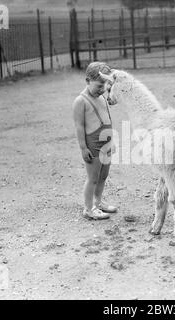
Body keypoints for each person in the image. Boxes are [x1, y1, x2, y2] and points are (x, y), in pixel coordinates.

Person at [72, 62, 118, 220]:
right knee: (93, 178)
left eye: (105, 85)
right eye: (99, 85)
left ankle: (98, 202)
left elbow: (108, 118)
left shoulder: (102, 98)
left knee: (103, 175)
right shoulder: (81, 101)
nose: (102, 89)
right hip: (93, 145)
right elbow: (79, 126)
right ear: (87, 80)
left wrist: (111, 142)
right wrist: (83, 148)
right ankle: (89, 208)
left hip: (106, 143)